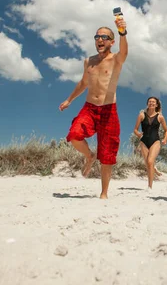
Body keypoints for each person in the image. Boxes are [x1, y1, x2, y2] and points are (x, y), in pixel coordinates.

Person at [59, 15, 128, 200]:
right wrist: (69, 100)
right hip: (89, 107)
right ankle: (89, 156)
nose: (99, 39)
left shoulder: (116, 59)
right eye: (97, 37)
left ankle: (104, 193)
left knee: (107, 154)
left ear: (111, 42)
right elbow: (83, 83)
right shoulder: (88, 61)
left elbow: (124, 51)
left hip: (108, 110)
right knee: (74, 134)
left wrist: (123, 32)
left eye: (104, 37)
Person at [133, 97, 167, 190]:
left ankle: (150, 186)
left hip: (155, 141)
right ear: (147, 103)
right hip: (143, 141)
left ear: (156, 105)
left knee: (149, 161)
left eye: (153, 102)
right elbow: (135, 129)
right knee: (148, 163)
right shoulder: (141, 115)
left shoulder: (160, 117)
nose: (151, 103)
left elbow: (166, 130)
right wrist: (138, 135)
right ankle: (154, 167)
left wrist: (165, 139)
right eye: (150, 101)